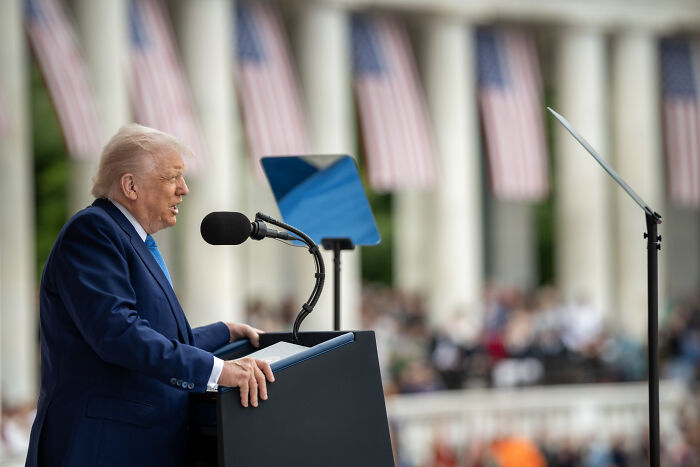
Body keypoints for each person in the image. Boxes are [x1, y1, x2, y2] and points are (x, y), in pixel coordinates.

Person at [25, 124, 274, 466]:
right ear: (131, 186)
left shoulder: (130, 239)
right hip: (102, 448)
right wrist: (218, 371)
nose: (184, 190)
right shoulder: (94, 231)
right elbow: (118, 334)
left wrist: (224, 332)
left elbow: (156, 338)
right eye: (173, 177)